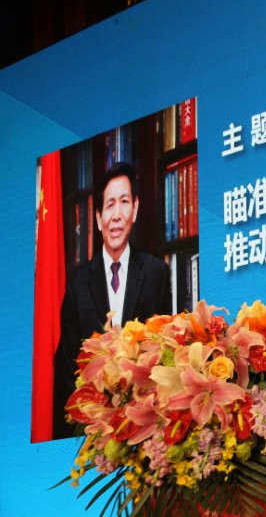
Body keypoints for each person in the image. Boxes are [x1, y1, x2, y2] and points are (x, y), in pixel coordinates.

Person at [52, 162, 171, 439]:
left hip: (145, 428)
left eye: (124, 202)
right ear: (98, 218)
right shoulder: (77, 284)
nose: (116, 215)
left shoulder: (156, 273)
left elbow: (165, 353)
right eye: (109, 205)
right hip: (90, 432)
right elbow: (66, 367)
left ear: (135, 209)